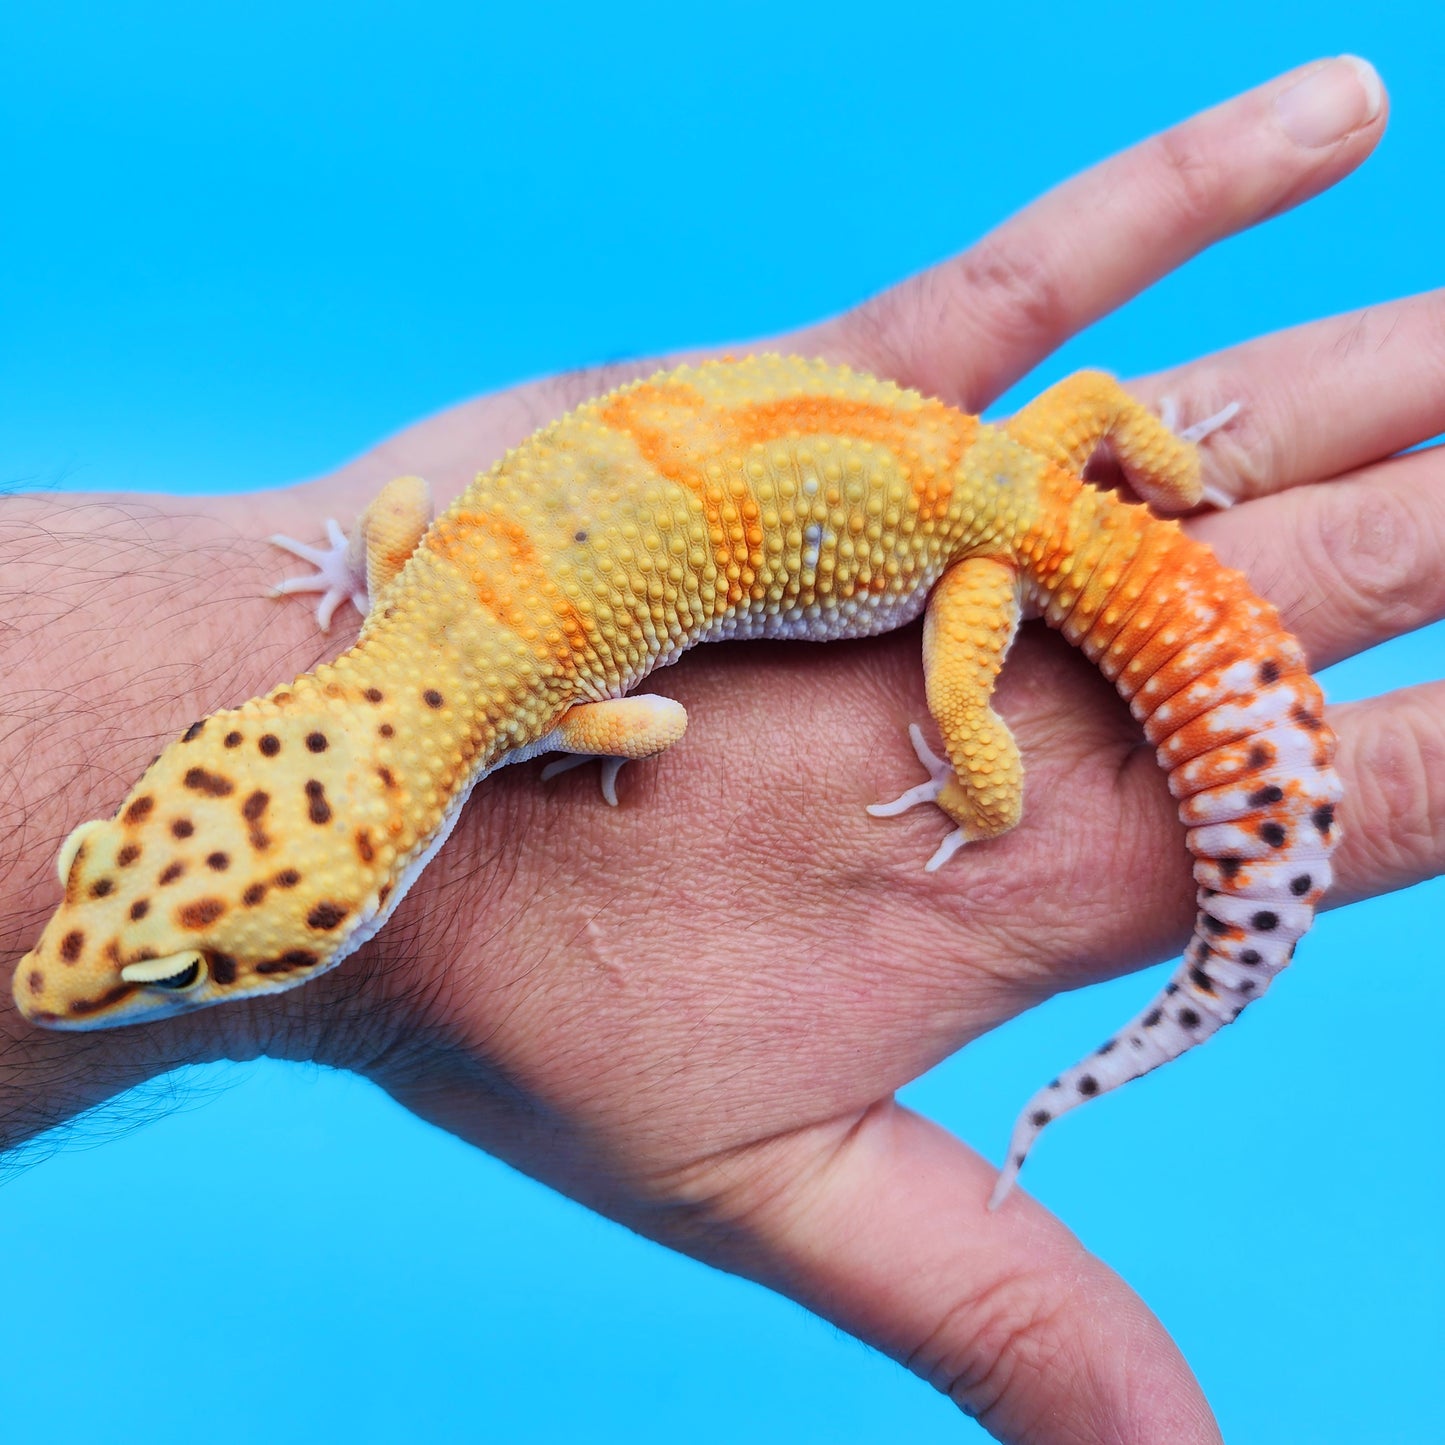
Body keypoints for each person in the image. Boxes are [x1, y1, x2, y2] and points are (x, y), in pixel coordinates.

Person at [3, 56, 1439, 1445]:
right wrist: (1169, 483)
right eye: (119, 894)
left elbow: (650, 721)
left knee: (971, 732)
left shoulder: (532, 710)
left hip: (978, 552)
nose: (65, 970)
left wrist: (961, 791)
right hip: (1028, 455)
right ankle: (1167, 472)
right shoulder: (410, 589)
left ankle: (977, 786)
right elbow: (388, 525)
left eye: (174, 962)